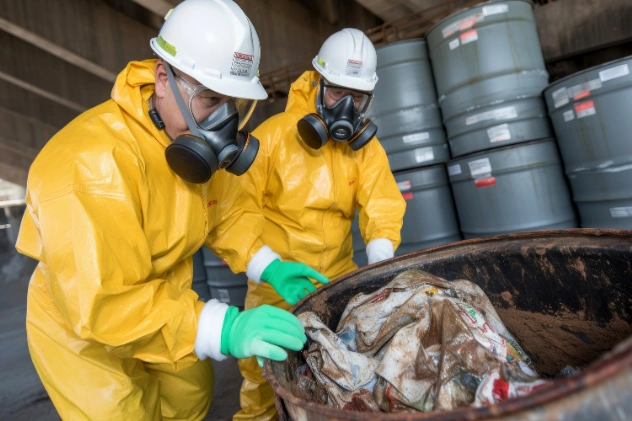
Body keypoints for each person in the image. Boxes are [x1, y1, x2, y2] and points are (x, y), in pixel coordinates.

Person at [15, 1, 306, 420]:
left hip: (166, 303)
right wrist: (224, 327)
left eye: (234, 105)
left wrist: (268, 265)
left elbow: (227, 213)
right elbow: (105, 302)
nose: (223, 122)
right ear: (162, 79)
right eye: (210, 99)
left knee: (190, 394)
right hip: (84, 325)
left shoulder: (193, 148)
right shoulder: (87, 165)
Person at [207, 28, 406, 421]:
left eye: (358, 97)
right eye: (336, 93)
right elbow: (230, 213)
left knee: (341, 379)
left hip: (340, 285)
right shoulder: (273, 139)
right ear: (317, 83)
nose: (346, 107)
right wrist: (269, 268)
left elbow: (382, 203)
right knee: (266, 384)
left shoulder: (363, 152)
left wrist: (379, 261)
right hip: (275, 288)